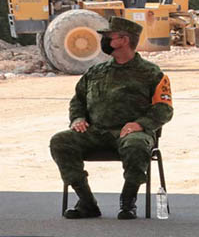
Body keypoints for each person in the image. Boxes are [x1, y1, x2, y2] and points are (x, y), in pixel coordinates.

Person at [49, 17, 173, 220]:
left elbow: (164, 108)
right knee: (60, 141)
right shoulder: (95, 72)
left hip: (130, 133)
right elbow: (78, 100)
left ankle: (128, 202)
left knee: (136, 145)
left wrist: (139, 124)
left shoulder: (151, 73)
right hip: (96, 132)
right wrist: (77, 118)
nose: (104, 41)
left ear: (123, 40)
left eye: (108, 37)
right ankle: (87, 202)